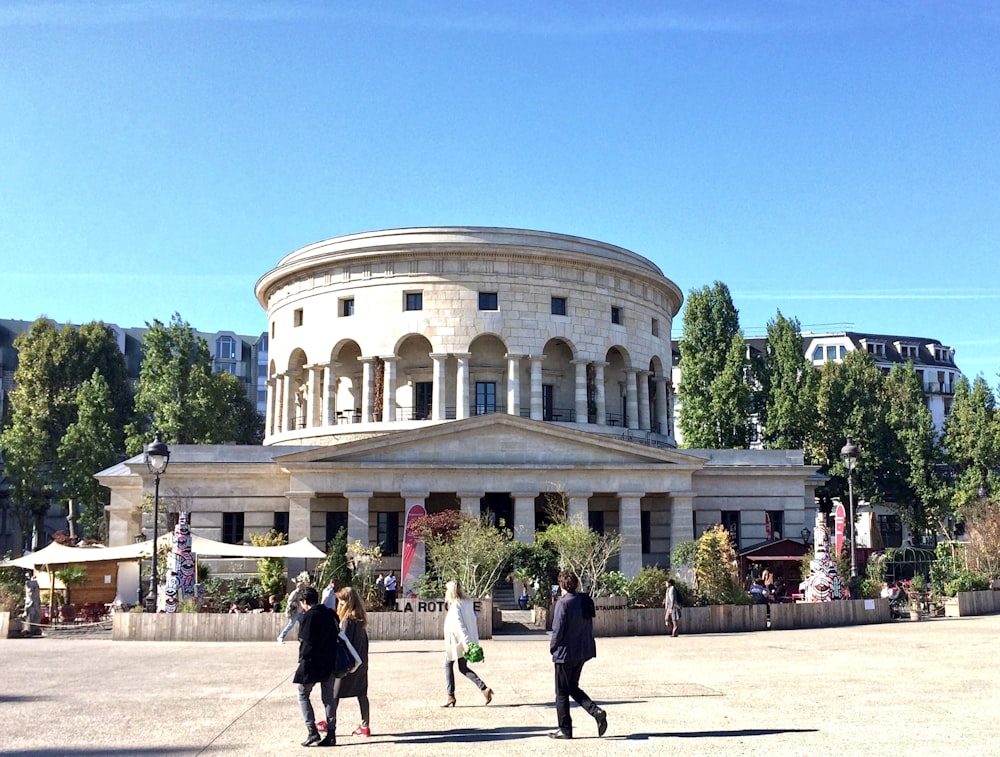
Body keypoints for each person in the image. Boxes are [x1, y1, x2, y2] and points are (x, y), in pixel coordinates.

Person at [549, 569, 607, 740]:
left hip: (565, 653)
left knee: (561, 692)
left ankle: (565, 729)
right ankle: (596, 711)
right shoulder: (584, 600)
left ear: (561, 585)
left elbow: (557, 630)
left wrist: (553, 647)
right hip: (582, 651)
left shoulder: (563, 603)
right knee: (572, 687)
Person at [292, 586, 340, 747]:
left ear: (305, 601)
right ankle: (331, 733)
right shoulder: (330, 614)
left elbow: (306, 642)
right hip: (330, 661)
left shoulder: (309, 616)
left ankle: (312, 730)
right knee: (328, 697)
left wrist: (301, 659)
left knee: (303, 693)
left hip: (312, 662)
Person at [441, 579, 493, 707]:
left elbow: (460, 625)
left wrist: (466, 644)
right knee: (462, 667)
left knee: (448, 664)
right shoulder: (467, 603)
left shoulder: (455, 606)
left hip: (458, 642)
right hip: (465, 641)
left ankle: (450, 695)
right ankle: (484, 689)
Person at [333, 586, 371, 737]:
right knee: (362, 694)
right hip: (361, 661)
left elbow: (343, 642)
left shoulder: (348, 619)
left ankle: (330, 723)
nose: (340, 603)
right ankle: (365, 725)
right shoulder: (360, 617)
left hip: (348, 664)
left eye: (342, 601)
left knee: (334, 694)